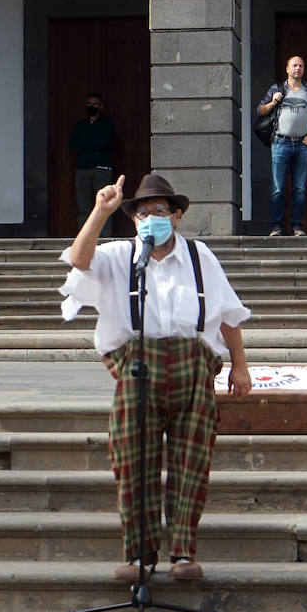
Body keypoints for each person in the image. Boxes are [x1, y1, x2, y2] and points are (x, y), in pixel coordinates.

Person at [59, 172, 252, 582]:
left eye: (160, 212)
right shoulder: (116, 256)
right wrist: (100, 210)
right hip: (135, 366)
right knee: (132, 462)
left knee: (191, 464)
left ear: (177, 216)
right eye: (143, 213)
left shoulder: (201, 257)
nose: (151, 219)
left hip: (194, 367)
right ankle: (140, 555)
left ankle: (183, 554)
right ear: (133, 221)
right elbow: (78, 260)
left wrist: (240, 364)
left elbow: (228, 315)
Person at [256, 54, 307, 237]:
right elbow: (260, 110)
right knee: (278, 188)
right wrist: (274, 101)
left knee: (299, 189)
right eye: (294, 66)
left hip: (301, 145)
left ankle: (297, 227)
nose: (297, 69)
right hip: (280, 142)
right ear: (287, 69)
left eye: (300, 66)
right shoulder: (277, 88)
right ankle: (276, 227)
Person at [68, 93, 116, 236]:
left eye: (95, 104)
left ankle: (104, 237)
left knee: (104, 205)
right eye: (89, 103)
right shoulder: (81, 125)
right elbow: (73, 145)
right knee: (83, 207)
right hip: (82, 170)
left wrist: (86, 144)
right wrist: (92, 144)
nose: (91, 106)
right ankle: (85, 237)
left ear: (101, 106)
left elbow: (104, 142)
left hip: (101, 170)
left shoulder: (107, 124)